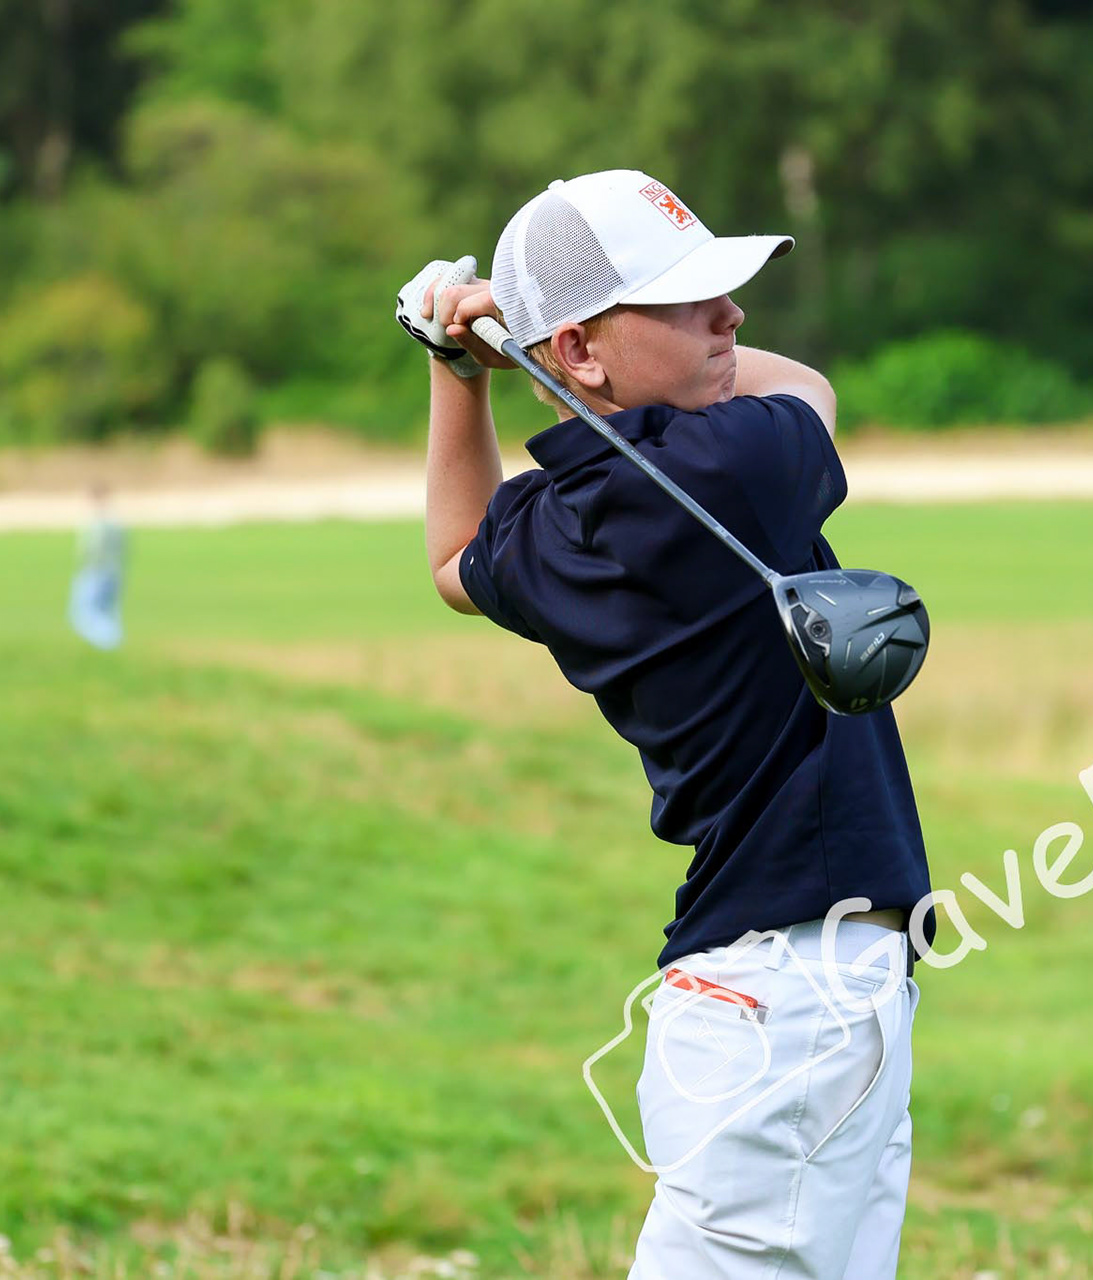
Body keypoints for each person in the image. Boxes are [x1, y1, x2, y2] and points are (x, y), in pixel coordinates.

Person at [403, 170, 931, 1278]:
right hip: (790, 999)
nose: (732, 316)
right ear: (587, 349)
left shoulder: (551, 524)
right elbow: (813, 384)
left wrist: (465, 371)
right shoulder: (738, 465)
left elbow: (454, 559)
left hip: (773, 998)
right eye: (689, 299)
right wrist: (520, 350)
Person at [68, 482, 126, 650]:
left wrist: (90, 567)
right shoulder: (116, 520)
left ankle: (110, 644)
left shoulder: (99, 521)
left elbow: (93, 549)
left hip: (96, 571)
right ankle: (112, 644)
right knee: (105, 612)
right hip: (113, 572)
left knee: (83, 614)